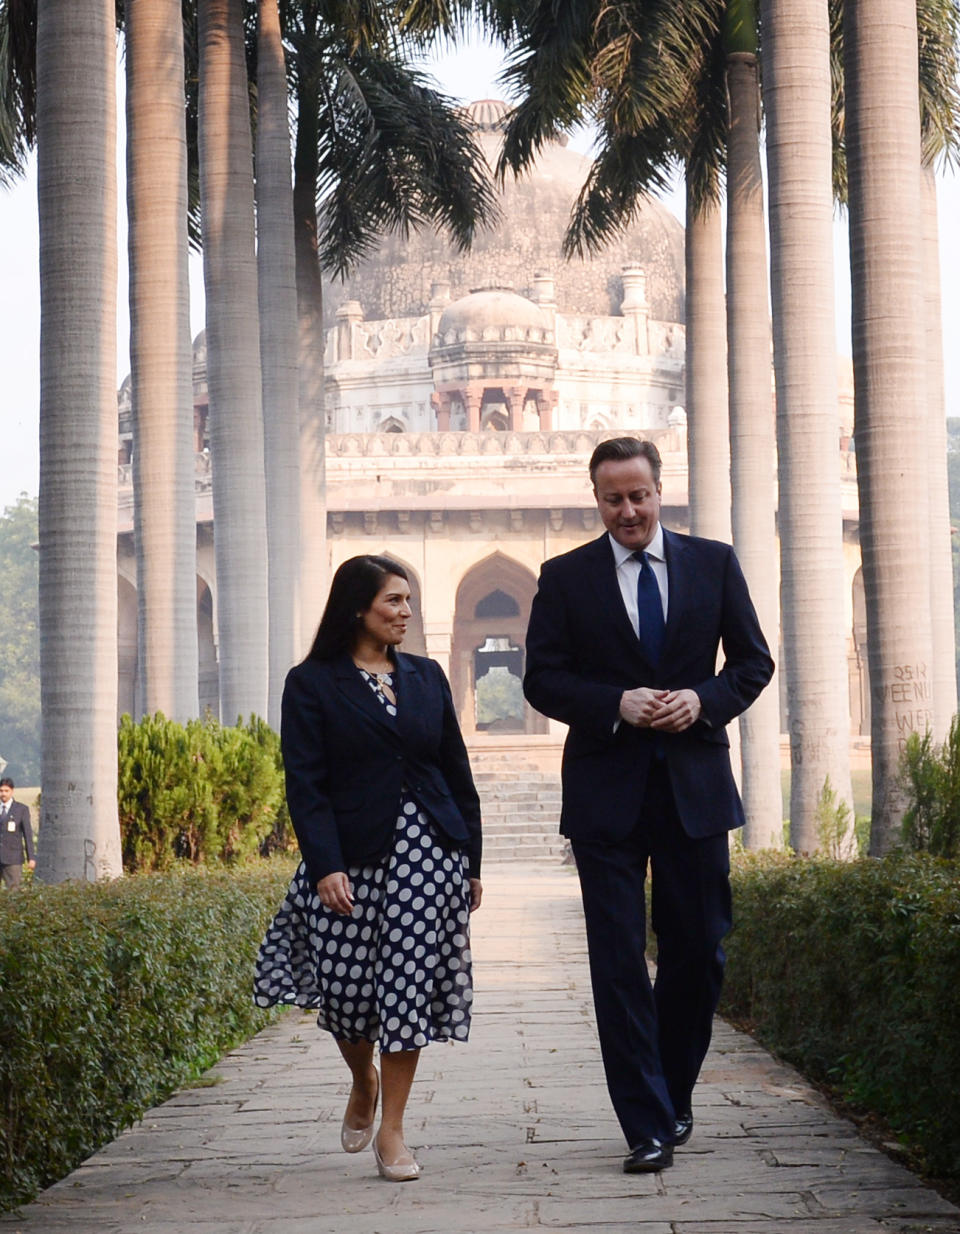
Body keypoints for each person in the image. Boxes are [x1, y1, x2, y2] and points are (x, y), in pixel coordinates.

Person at [523, 437, 773, 1174]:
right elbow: (543, 680)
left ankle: (672, 1088)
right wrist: (615, 704)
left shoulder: (713, 564)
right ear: (595, 500)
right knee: (618, 961)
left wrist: (702, 701)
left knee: (699, 952)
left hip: (693, 789)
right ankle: (646, 1124)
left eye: (639, 495)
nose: (628, 511)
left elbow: (753, 663)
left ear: (660, 492)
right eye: (612, 499)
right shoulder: (565, 578)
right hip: (607, 796)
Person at [254, 555, 482, 1182]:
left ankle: (395, 1131)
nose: (406, 612)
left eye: (409, 601)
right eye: (393, 602)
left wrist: (472, 862)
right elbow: (306, 783)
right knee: (348, 995)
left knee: (406, 987)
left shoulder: (427, 677)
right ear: (358, 608)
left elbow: (455, 773)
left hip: (429, 854)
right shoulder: (311, 682)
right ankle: (363, 1078)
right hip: (350, 857)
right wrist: (324, 864)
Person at [0, 778, 36, 889]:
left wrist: (31, 857)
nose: (3, 794)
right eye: (1, 791)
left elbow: (28, 834)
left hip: (13, 859)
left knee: (13, 891)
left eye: (6, 791)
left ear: (12, 791)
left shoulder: (21, 809)